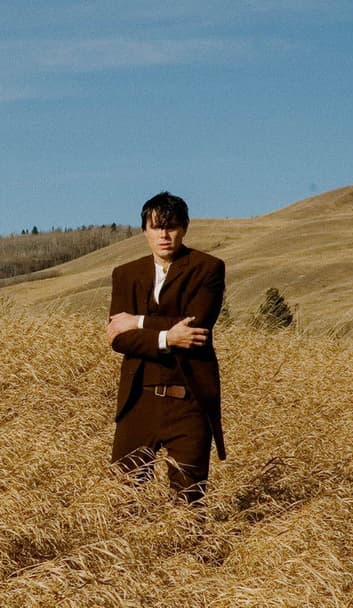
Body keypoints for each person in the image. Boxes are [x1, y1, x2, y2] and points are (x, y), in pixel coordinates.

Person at [106, 192, 226, 504]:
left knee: (188, 500)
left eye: (171, 226)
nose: (164, 234)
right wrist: (166, 338)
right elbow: (118, 337)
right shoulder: (126, 275)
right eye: (156, 227)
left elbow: (195, 328)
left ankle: (188, 553)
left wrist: (138, 321)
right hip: (138, 402)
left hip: (190, 402)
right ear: (144, 230)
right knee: (126, 497)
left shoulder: (208, 268)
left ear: (185, 228)